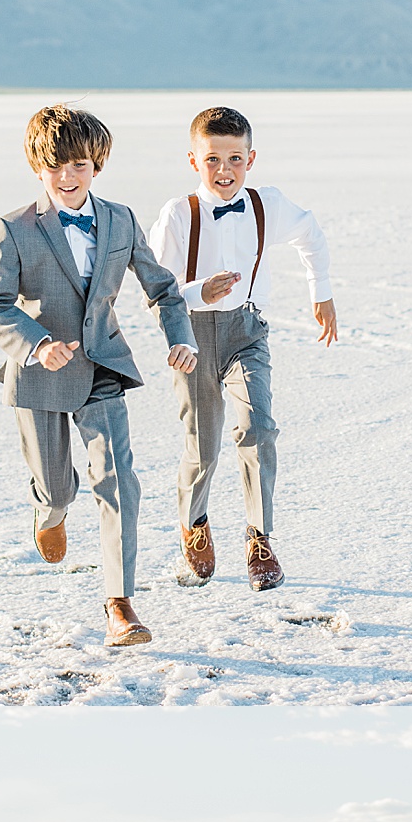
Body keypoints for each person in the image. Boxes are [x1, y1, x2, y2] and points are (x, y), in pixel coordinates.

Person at [0, 104, 197, 649]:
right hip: (40, 375)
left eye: (79, 164)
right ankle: (49, 511)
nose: (68, 177)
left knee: (119, 482)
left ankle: (119, 604)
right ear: (37, 166)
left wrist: (181, 338)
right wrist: (39, 345)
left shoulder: (120, 219)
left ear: (96, 164)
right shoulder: (16, 228)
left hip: (103, 366)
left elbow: (162, 288)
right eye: (56, 167)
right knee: (57, 487)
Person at [148, 106, 336, 595]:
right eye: (213, 159)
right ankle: (195, 523)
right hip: (189, 336)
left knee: (258, 427)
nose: (225, 170)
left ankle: (260, 535)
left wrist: (322, 292)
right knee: (202, 445)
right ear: (194, 160)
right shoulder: (177, 214)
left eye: (235, 158)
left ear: (251, 158)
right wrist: (195, 294)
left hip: (247, 331)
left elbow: (310, 234)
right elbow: (152, 288)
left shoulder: (264, 204)